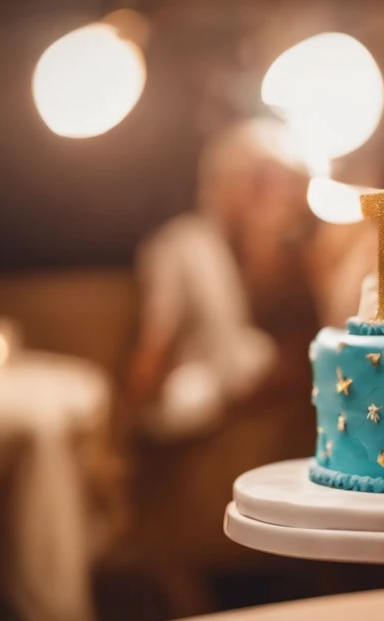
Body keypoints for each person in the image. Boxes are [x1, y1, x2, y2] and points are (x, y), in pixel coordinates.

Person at [126, 119, 312, 440]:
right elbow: (156, 344)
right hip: (193, 407)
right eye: (254, 182)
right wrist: (126, 428)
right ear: (219, 184)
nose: (268, 194)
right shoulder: (183, 244)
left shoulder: (277, 254)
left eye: (273, 183)